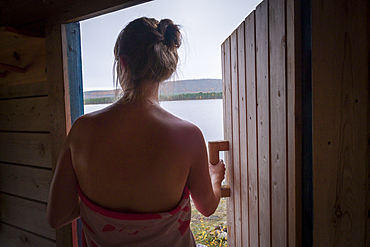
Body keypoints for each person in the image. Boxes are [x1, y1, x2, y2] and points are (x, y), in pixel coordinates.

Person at [47, 17, 225, 247]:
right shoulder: (188, 137)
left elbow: (56, 216)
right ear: (166, 70)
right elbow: (208, 207)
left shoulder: (82, 130)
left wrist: (99, 208)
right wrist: (214, 178)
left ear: (122, 63)